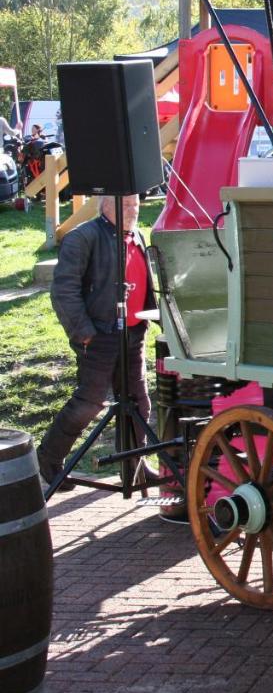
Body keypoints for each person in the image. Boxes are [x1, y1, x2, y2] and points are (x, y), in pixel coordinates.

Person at [38, 194, 154, 490]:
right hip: (99, 335)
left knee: (138, 404)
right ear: (105, 206)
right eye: (125, 205)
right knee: (89, 403)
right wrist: (84, 331)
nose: (132, 210)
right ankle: (49, 459)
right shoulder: (83, 237)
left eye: (135, 205)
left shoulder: (137, 235)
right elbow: (64, 290)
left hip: (132, 333)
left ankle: (135, 465)